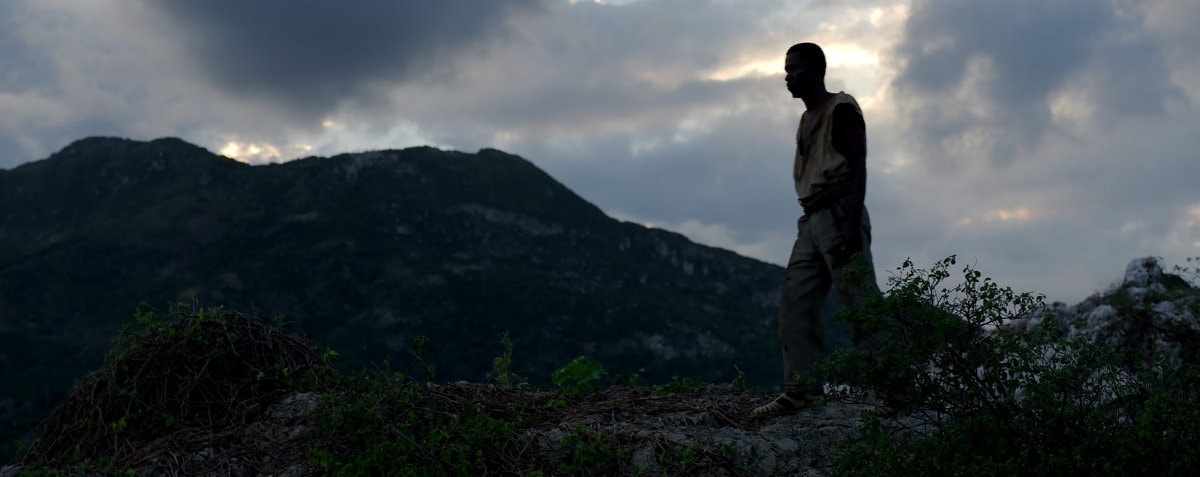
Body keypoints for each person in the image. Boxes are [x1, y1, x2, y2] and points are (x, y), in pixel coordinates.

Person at [752, 42, 882, 417]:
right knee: (796, 299)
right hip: (811, 217)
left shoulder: (840, 109)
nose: (787, 76)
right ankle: (801, 390)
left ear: (816, 70)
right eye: (786, 69)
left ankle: (894, 390)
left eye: (794, 69)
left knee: (860, 304)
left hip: (841, 211)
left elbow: (859, 167)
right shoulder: (807, 118)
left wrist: (852, 228)